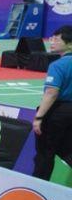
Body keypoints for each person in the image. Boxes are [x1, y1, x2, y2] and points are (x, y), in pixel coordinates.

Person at [33, 25, 72, 181]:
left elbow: (51, 93)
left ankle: (38, 189)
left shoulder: (58, 65)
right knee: (68, 148)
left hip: (57, 113)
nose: (52, 41)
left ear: (70, 43)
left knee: (44, 154)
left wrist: (39, 117)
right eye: (52, 38)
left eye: (57, 38)